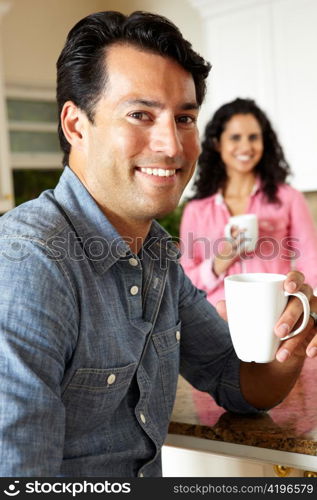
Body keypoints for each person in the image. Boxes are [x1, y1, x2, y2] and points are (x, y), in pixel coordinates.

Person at [0, 11, 316, 478]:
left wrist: (292, 343)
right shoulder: (29, 265)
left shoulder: (155, 256)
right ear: (75, 125)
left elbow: (236, 380)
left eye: (185, 118)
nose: (172, 145)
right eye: (140, 114)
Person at [180, 98, 317, 306]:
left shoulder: (289, 199)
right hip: (217, 321)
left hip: (275, 313)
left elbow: (311, 262)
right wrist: (219, 263)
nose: (246, 146)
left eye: (253, 137)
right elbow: (186, 282)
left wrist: (296, 303)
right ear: (218, 143)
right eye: (235, 137)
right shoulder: (196, 211)